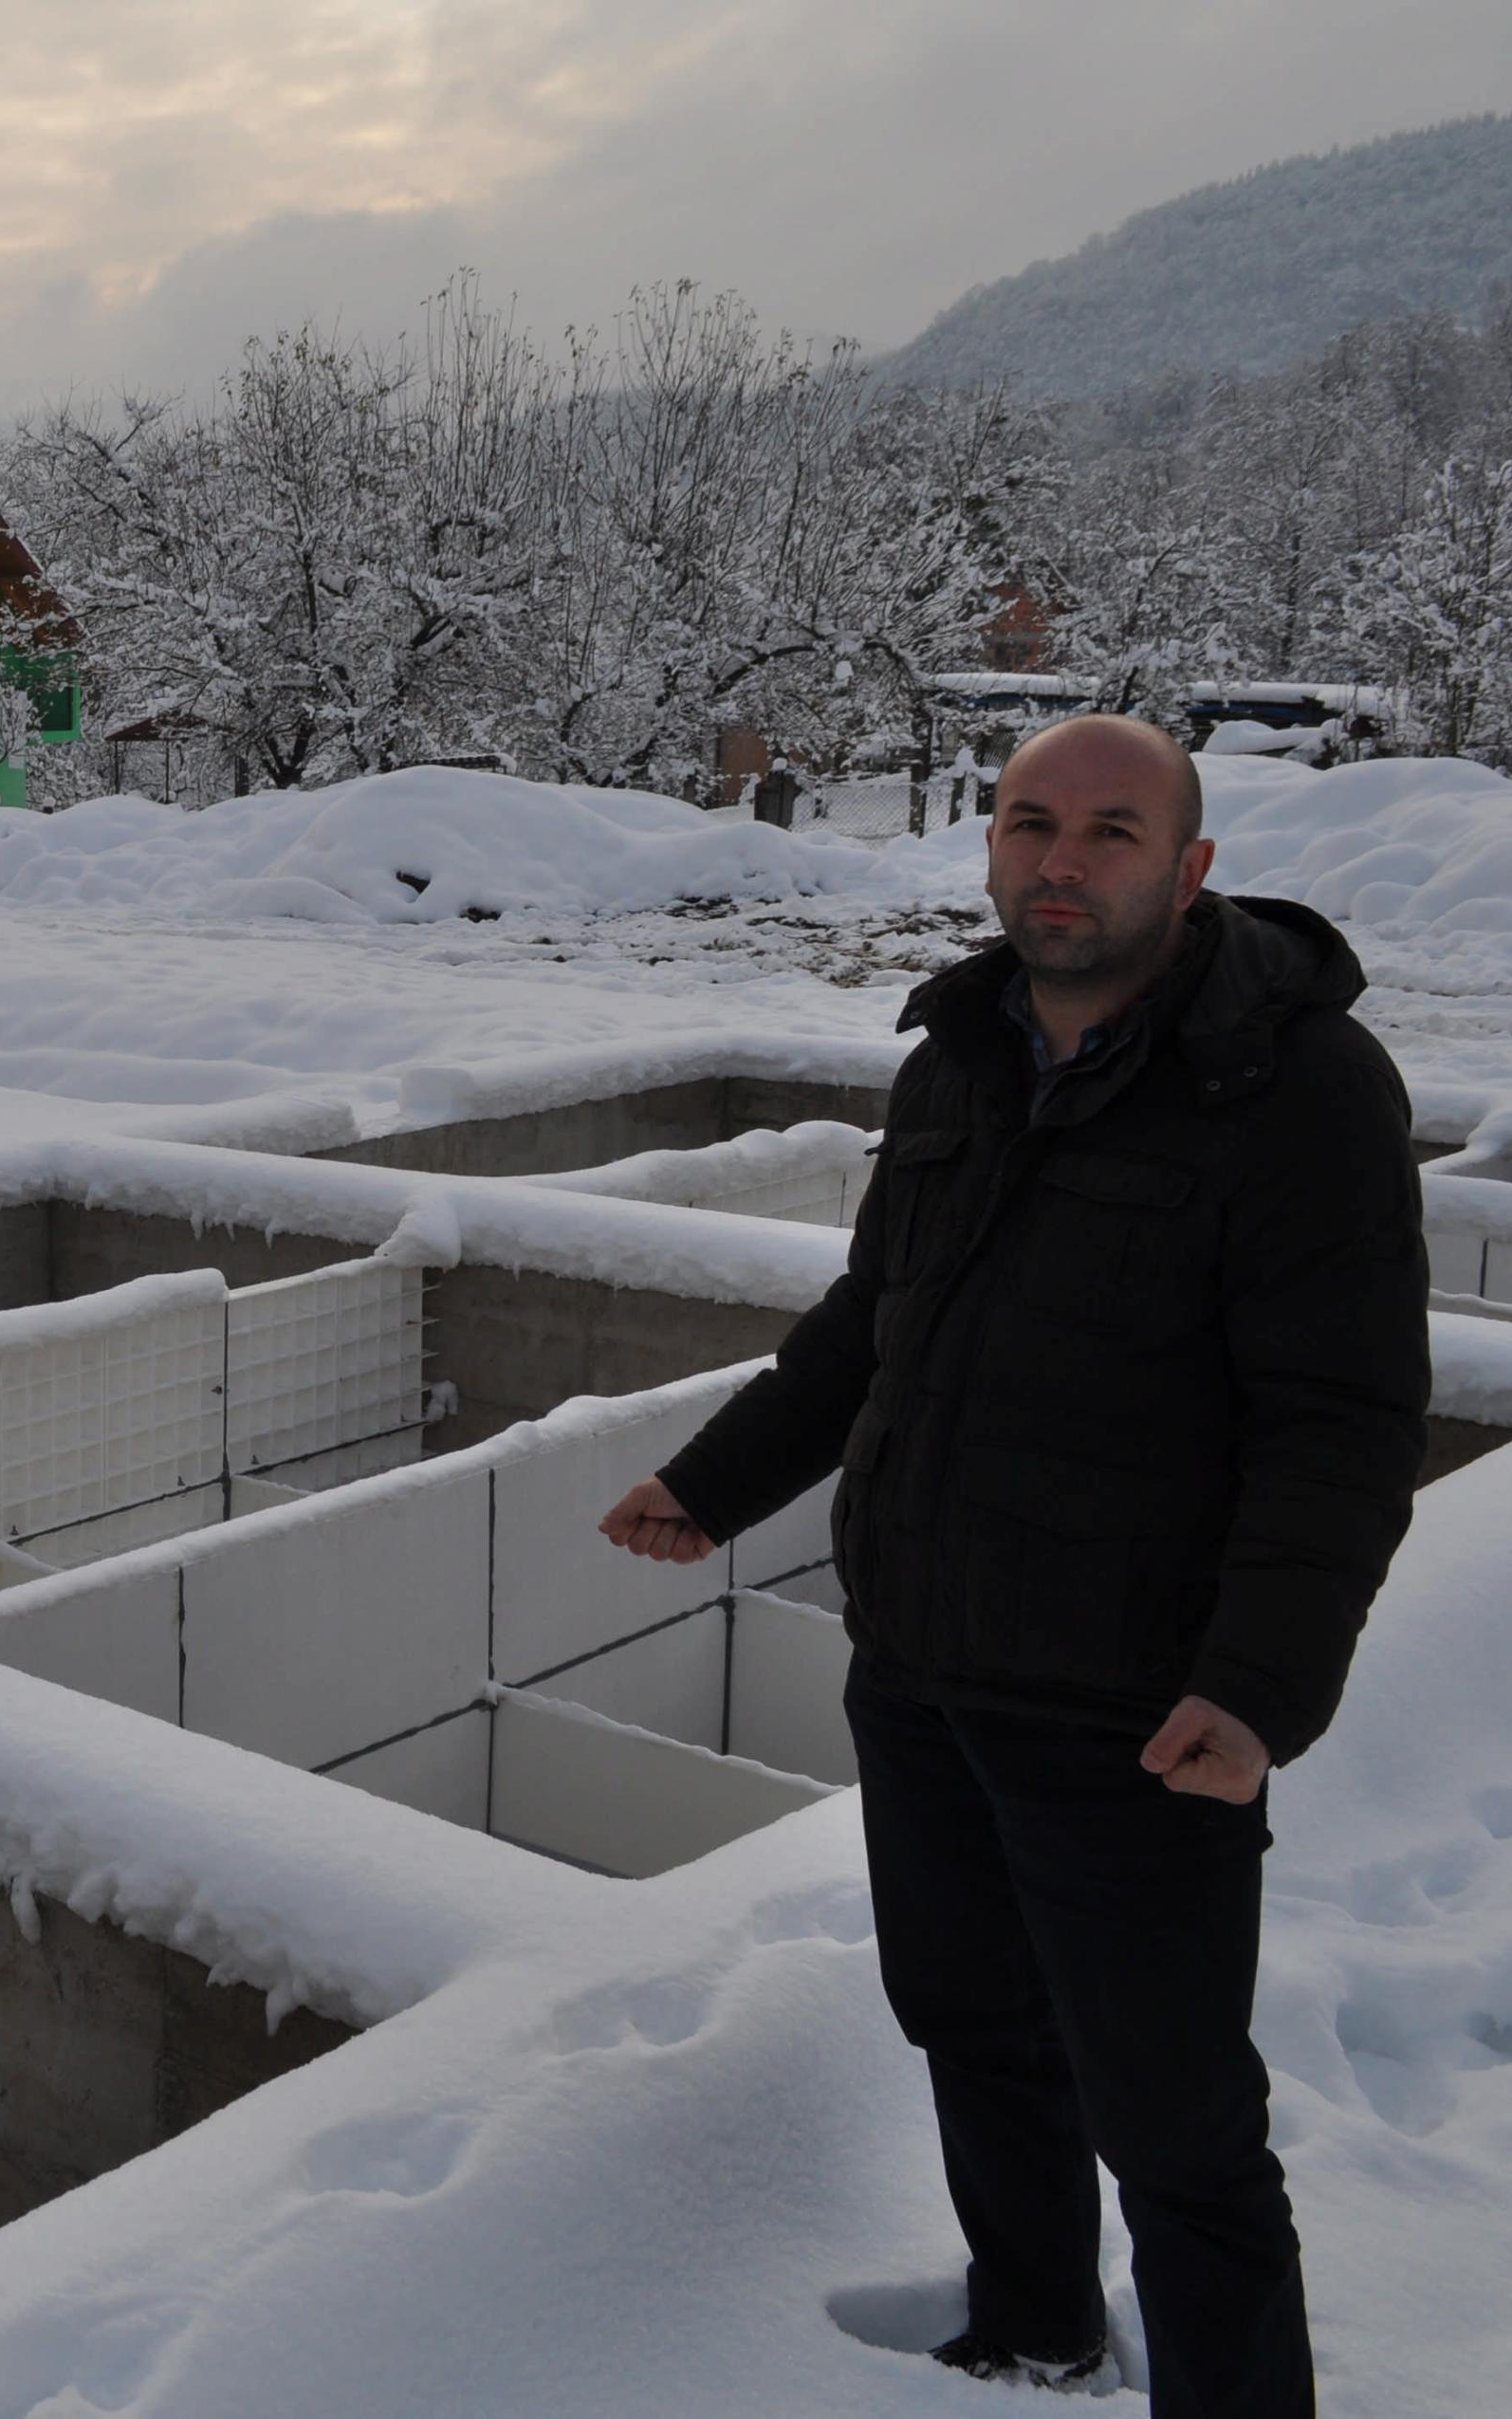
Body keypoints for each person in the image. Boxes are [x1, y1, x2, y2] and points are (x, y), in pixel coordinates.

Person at [599, 713, 1429, 2415]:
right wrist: (717, 1478)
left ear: (1190, 869)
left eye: (1112, 832)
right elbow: (873, 1327)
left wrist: (1258, 1684)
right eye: (1029, 824)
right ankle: (1032, 2332)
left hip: (1133, 1714)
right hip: (919, 1667)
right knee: (974, 2035)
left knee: (1179, 2124)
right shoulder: (959, 1056)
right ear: (987, 849)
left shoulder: (1296, 1088)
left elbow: (1340, 1424)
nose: (1063, 861)